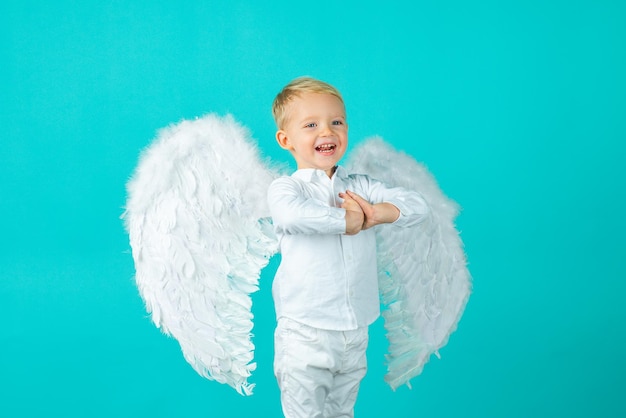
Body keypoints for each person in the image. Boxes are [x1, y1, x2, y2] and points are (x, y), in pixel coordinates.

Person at [267, 76, 430, 417]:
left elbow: (418, 205)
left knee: (342, 411)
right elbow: (290, 216)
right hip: (305, 331)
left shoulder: (360, 187)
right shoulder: (286, 190)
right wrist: (347, 221)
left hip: (355, 330)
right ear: (286, 140)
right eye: (311, 124)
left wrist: (380, 212)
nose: (326, 132)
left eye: (336, 122)